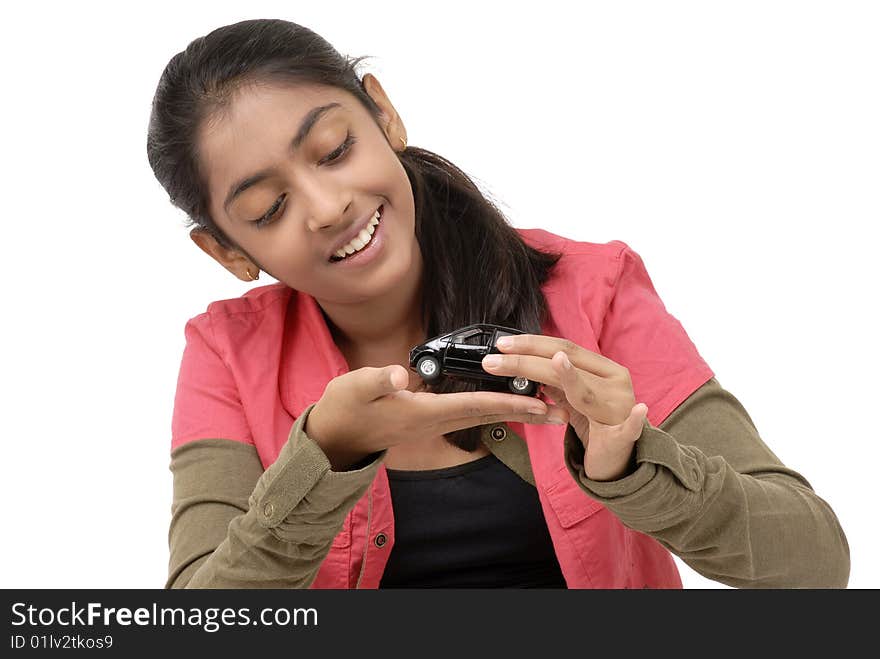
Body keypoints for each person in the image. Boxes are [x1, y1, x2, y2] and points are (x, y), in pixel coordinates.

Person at [147, 18, 849, 589]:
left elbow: (815, 563)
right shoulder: (226, 355)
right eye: (270, 208)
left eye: (334, 150)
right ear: (229, 252)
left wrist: (629, 462)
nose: (329, 206)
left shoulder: (592, 289)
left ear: (384, 114)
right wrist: (325, 455)